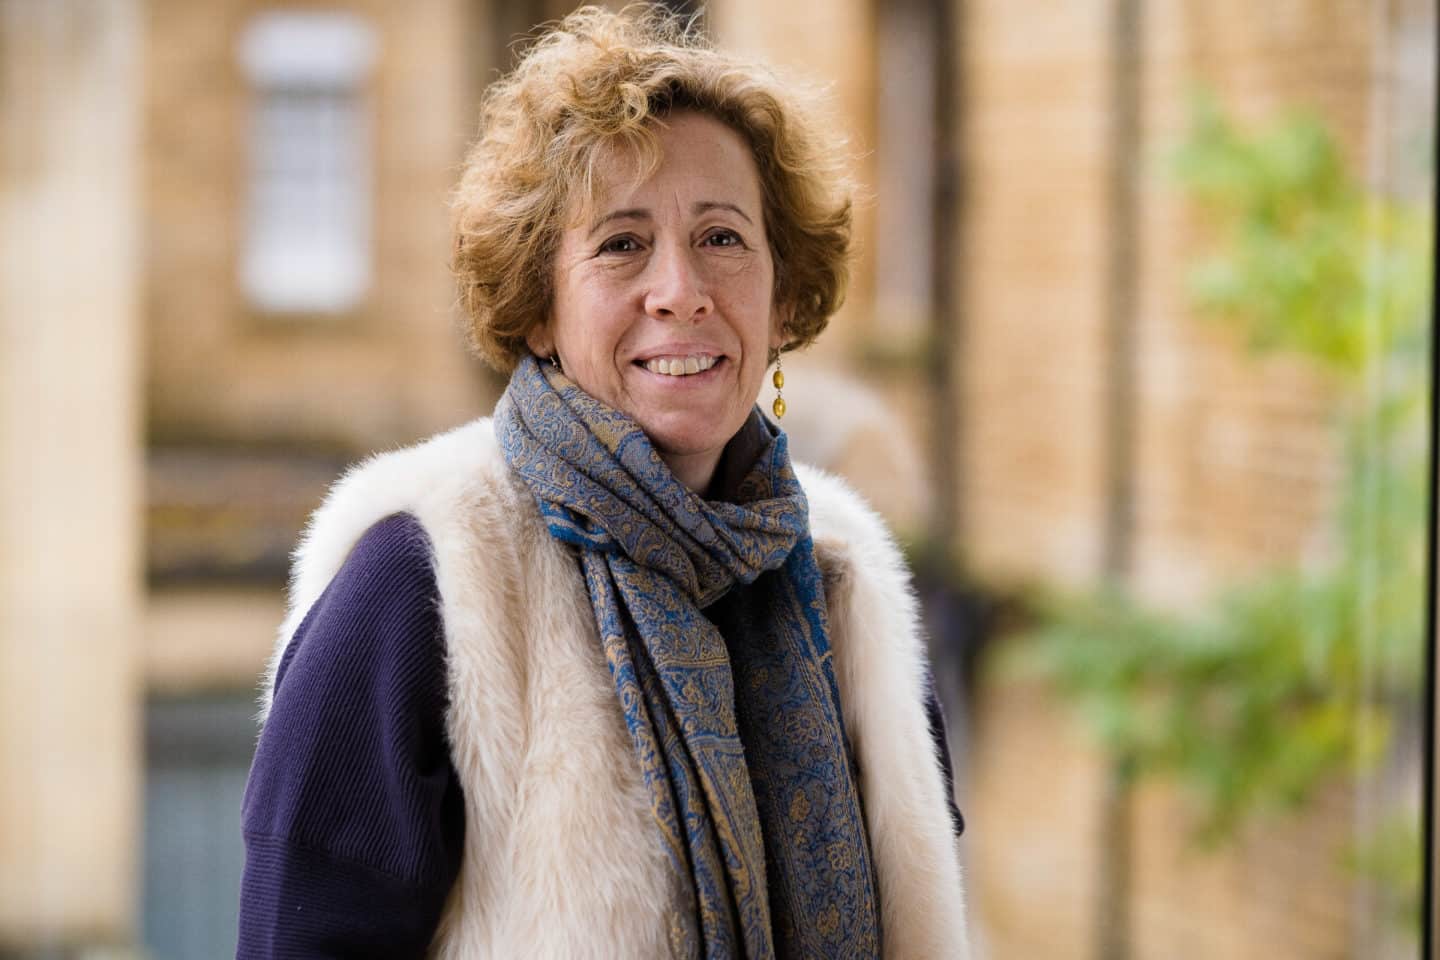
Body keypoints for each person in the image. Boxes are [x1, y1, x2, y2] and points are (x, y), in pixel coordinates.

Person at [237, 6, 970, 958]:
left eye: (722, 237)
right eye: (622, 244)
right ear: (539, 307)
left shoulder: (844, 584)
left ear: (784, 300)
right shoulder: (422, 572)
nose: (681, 289)